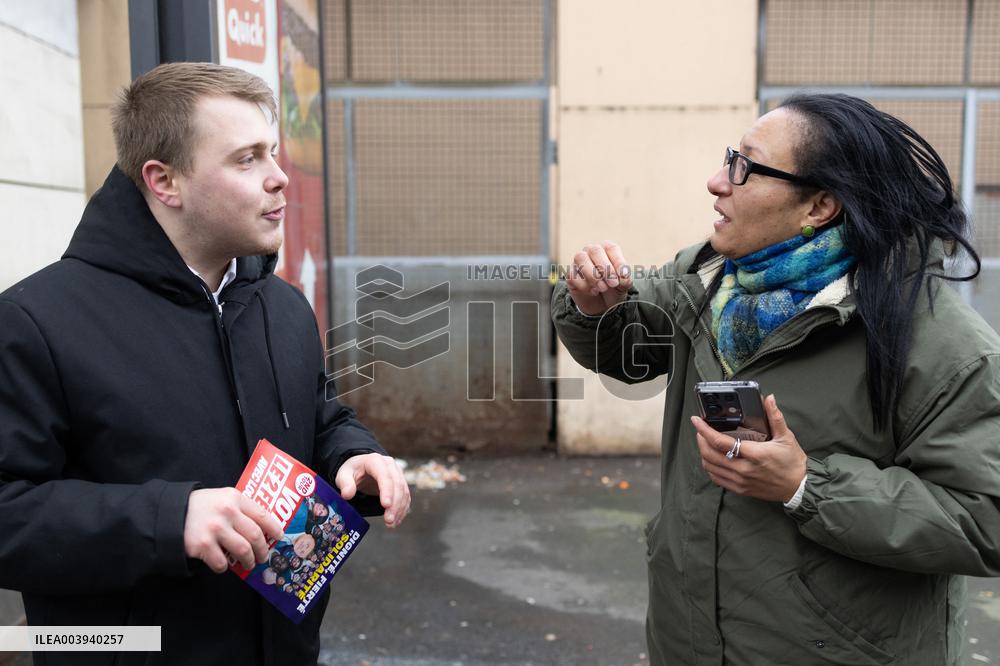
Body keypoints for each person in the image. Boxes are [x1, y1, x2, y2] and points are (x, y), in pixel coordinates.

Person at [552, 93, 1000, 665]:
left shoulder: (941, 343)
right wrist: (595, 307)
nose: (717, 181)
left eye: (744, 167)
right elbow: (627, 354)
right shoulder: (706, 277)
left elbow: (984, 519)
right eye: (726, 158)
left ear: (819, 206)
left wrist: (805, 486)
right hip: (689, 640)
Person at [0, 62, 410, 665]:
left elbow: (315, 415)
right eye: (247, 159)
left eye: (272, 153)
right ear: (165, 181)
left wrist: (352, 454)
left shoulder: (281, 305)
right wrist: (168, 519)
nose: (279, 180)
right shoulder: (34, 321)